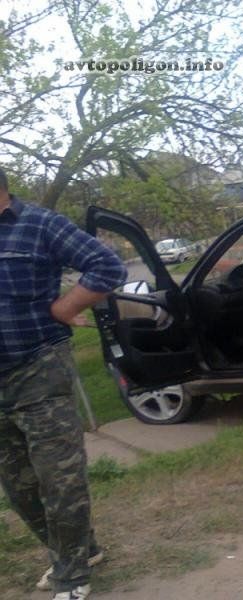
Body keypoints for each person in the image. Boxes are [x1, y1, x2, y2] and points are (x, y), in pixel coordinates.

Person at [0, 167, 127, 600]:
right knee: (19, 487)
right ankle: (81, 550)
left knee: (60, 479)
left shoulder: (39, 224)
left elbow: (106, 265)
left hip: (39, 367)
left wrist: (64, 307)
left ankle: (71, 576)